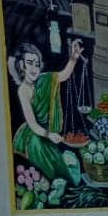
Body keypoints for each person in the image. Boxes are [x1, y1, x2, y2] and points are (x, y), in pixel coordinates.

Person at [9, 39, 84, 183]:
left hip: (48, 133)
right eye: (30, 63)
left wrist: (73, 59)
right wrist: (49, 135)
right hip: (32, 135)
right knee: (44, 159)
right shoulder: (23, 90)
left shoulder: (44, 79)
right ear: (22, 65)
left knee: (58, 162)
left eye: (37, 64)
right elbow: (32, 124)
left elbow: (63, 75)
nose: (34, 68)